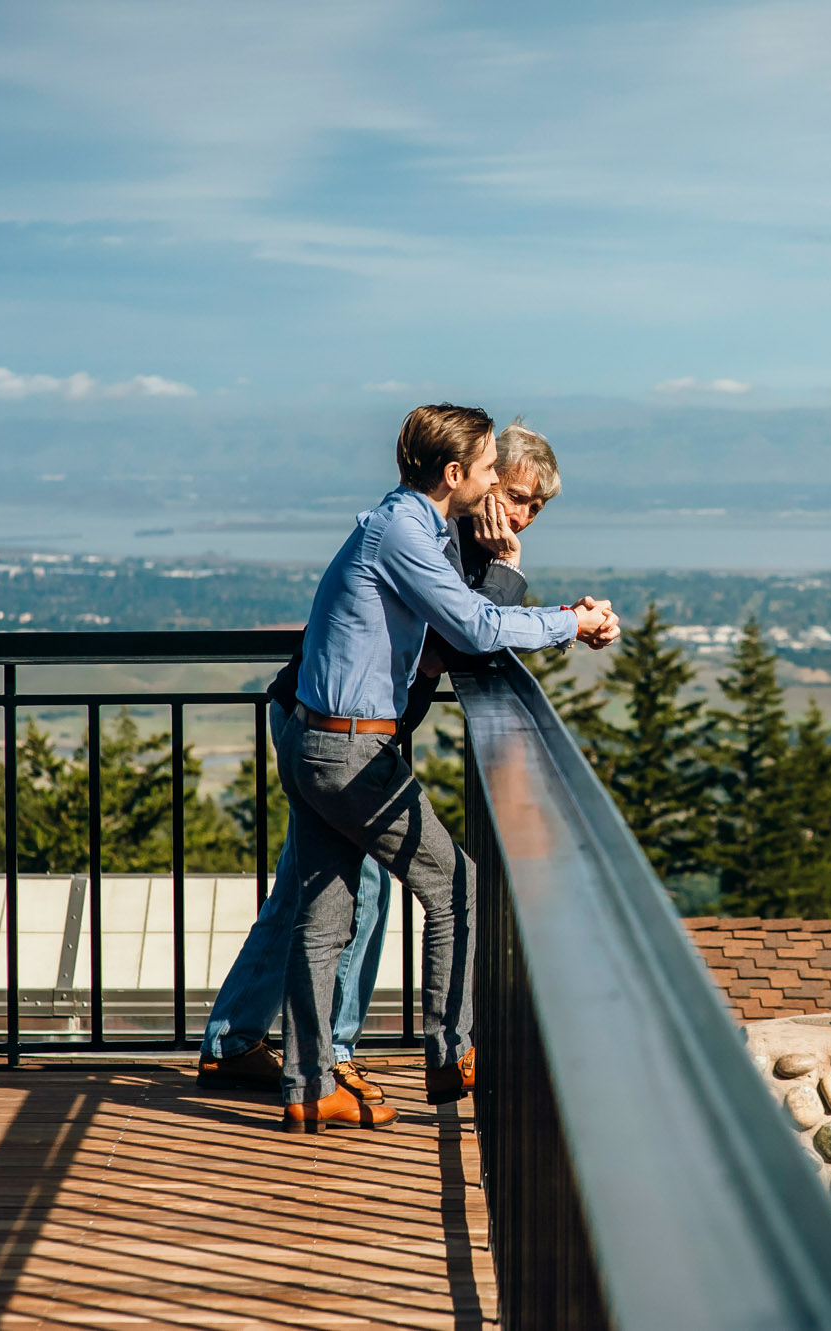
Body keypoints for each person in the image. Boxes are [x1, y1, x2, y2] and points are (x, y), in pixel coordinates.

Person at [197, 423, 564, 1107]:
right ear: (464, 476)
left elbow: (454, 639)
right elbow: (467, 636)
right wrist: (525, 584)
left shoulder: (428, 534)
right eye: (508, 487)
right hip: (341, 736)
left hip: (333, 729)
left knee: (320, 902)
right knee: (381, 892)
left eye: (534, 507)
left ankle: (277, 1060)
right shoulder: (424, 539)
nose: (517, 510)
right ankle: (355, 1057)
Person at [276, 404, 616, 1131]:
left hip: (321, 739)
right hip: (350, 750)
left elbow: (459, 624)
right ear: (455, 474)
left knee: (323, 916)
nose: (498, 483)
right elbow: (474, 628)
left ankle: (309, 1085)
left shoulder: (410, 526)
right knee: (456, 884)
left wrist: (545, 607)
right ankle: (451, 1052)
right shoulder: (405, 532)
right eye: (492, 469)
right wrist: (571, 622)